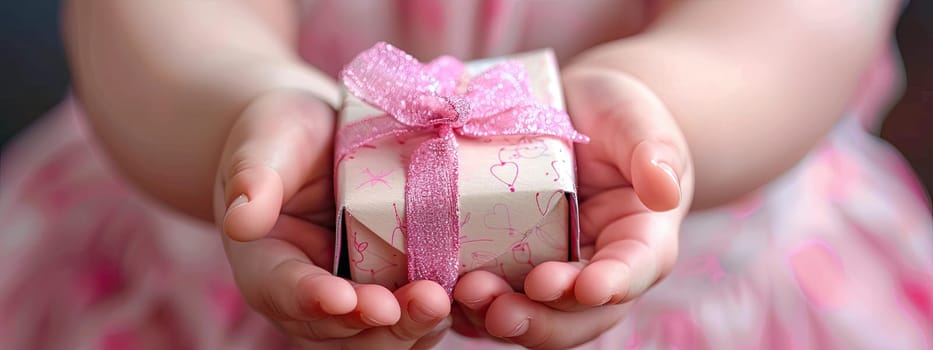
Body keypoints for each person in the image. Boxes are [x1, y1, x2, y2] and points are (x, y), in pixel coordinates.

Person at [1, 0, 930, 349]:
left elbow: (803, 24)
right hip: (220, 258)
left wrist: (658, 110)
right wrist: (241, 114)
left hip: (711, 275)